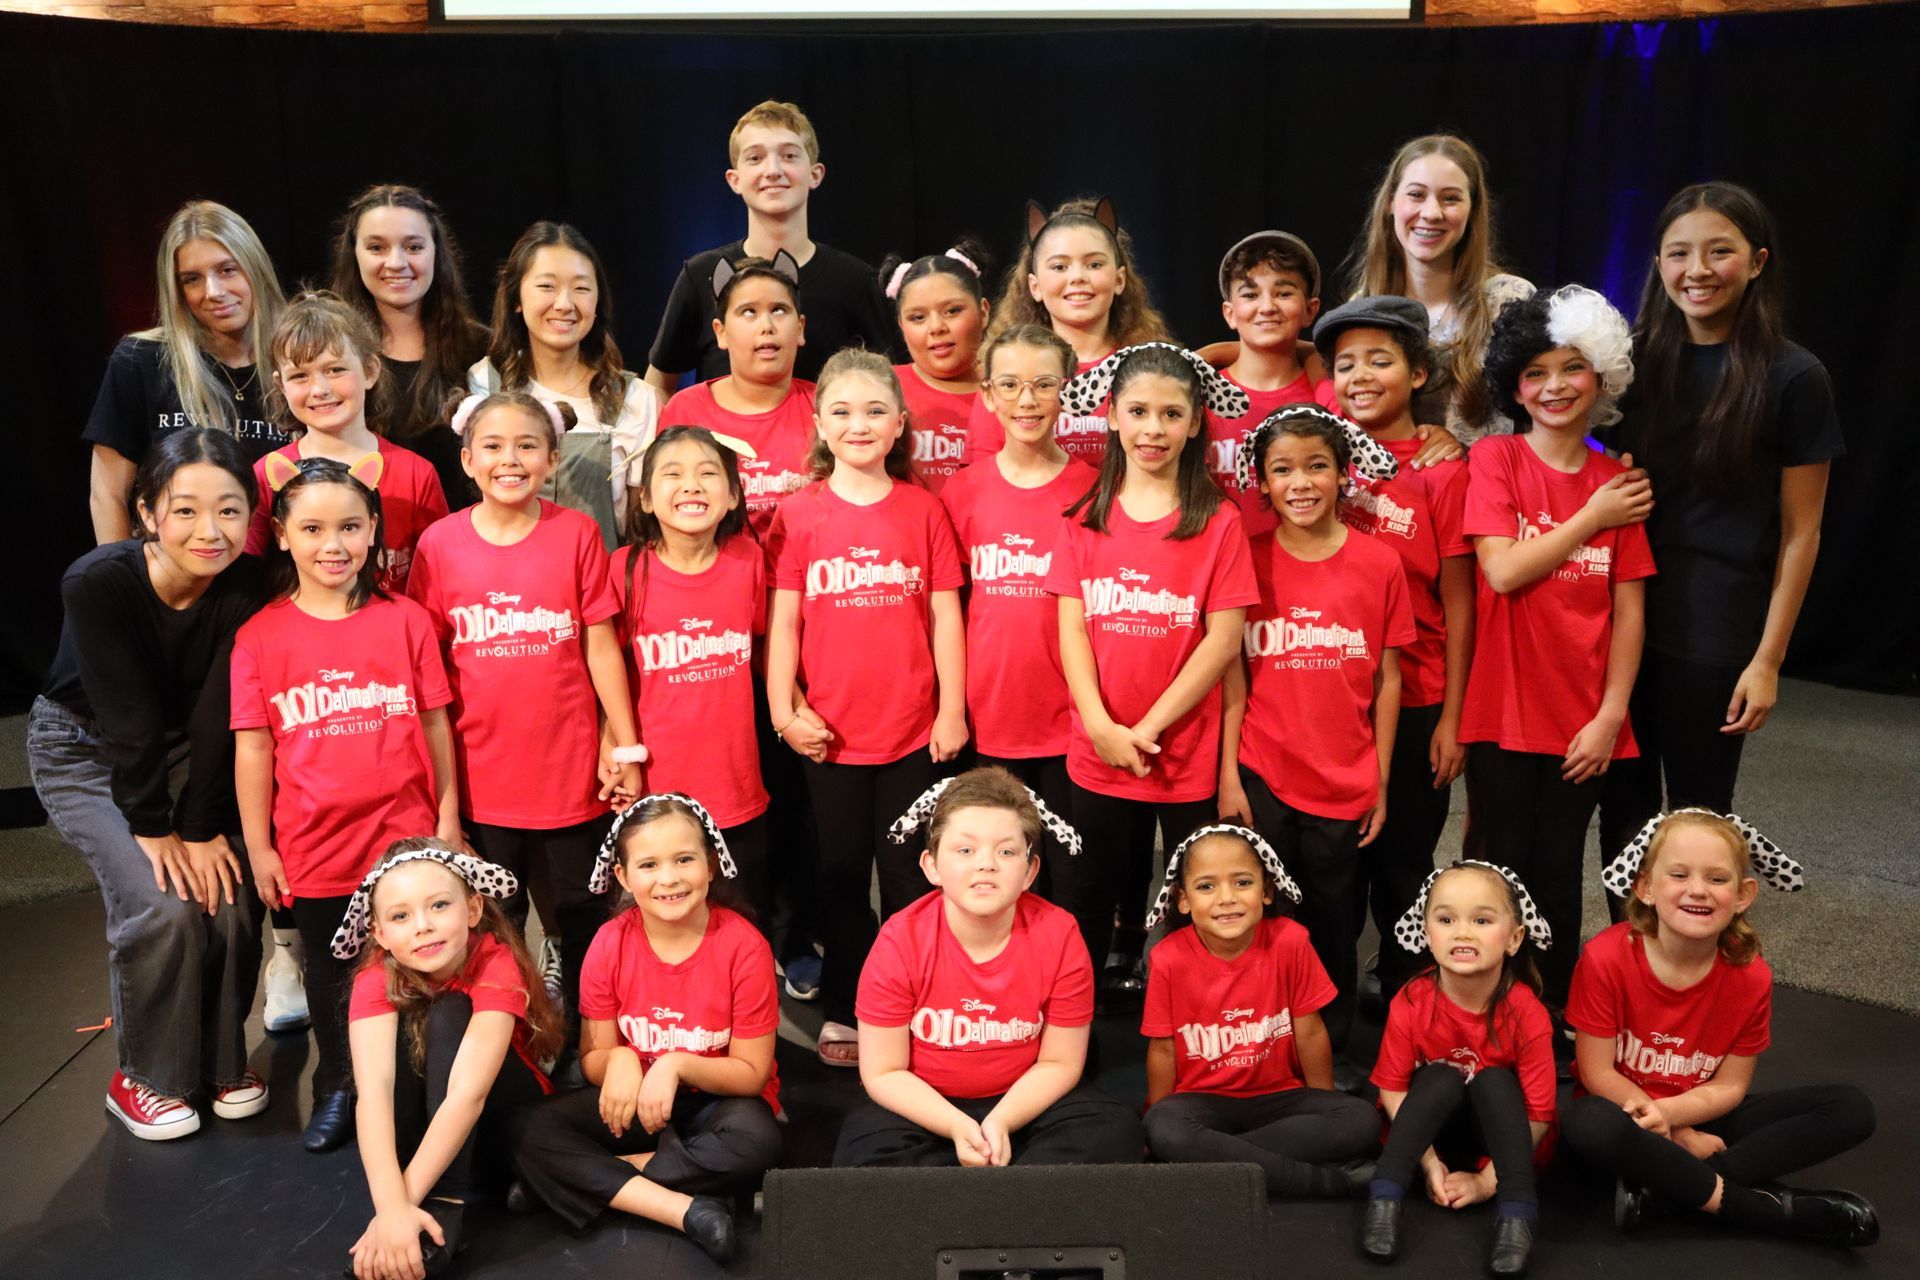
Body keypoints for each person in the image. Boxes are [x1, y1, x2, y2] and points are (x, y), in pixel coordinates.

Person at [1597, 183, 1844, 878]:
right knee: (1622, 807)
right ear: (1658, 263)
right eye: (1679, 253)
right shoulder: (1632, 360)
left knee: (1699, 817)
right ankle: (1629, 965)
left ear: (1757, 261)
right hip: (1622, 616)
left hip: (1716, 629)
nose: (1696, 270)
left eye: (1719, 252)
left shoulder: (1795, 377)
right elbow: (1566, 445)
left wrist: (1766, 662)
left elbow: (1802, 532)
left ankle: (1685, 967)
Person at [29, 428, 267, 1140]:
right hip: (84, 749)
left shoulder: (249, 586)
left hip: (186, 753)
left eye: (229, 510)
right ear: (145, 514)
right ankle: (144, 1078)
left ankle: (222, 1063)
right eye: (185, 509)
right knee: (162, 904)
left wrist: (198, 827)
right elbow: (126, 715)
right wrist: (159, 828)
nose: (209, 529)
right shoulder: (98, 581)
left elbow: (215, 715)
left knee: (226, 893)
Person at [231, 455, 460, 1153]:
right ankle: (339, 1083)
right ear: (282, 535)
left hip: (407, 840)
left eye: (351, 527)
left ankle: (426, 1086)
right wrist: (262, 847)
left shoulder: (408, 622)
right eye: (314, 528)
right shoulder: (260, 636)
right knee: (332, 975)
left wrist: (448, 818)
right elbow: (254, 750)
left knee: (423, 965)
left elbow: (434, 725)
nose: (334, 544)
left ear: (372, 533)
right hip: (316, 844)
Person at [407, 390, 643, 1038]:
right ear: (467, 459)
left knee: (579, 907)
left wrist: (623, 747)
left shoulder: (575, 533)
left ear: (552, 458)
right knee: (496, 912)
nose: (510, 459)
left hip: (570, 771)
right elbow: (429, 679)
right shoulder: (439, 545)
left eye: (526, 445)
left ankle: (589, 1030)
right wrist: (443, 796)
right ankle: (508, 1030)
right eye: (493, 446)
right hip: (485, 776)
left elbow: (600, 646)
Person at [765, 349, 966, 1065]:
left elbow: (946, 617)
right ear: (818, 422)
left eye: (876, 410)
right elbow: (784, 622)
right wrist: (784, 710)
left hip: (915, 733)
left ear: (900, 424)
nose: (860, 423)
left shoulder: (924, 509)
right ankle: (850, 1004)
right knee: (841, 878)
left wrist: (952, 711)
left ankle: (916, 1002)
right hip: (830, 739)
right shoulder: (797, 515)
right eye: (843, 411)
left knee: (915, 876)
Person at [1044, 344, 1259, 997]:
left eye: (1171, 414)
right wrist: (1104, 727)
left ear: (1195, 423)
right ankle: (1074, 1027)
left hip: (1184, 754)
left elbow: (1222, 641)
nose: (1153, 429)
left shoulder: (1218, 522)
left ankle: (1191, 1016)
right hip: (1098, 748)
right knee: (1088, 890)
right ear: (1112, 416)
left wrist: (1150, 728)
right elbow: (1071, 632)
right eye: (1138, 411)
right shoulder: (1085, 520)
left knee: (1194, 894)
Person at [1462, 286, 1655, 1008]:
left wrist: (1611, 716)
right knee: (1495, 865)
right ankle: (1477, 1004)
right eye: (1535, 373)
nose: (1554, 387)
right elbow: (1503, 569)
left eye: (1571, 369)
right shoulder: (1498, 461)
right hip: (1504, 711)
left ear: (1600, 377)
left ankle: (1550, 1015)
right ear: (1515, 386)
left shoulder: (1620, 482)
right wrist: (1590, 517)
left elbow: (1629, 613)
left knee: (1557, 868)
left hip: (1585, 719)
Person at [1563, 810, 1878, 1247]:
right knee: (1587, 1122)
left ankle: (1668, 1192)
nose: (1698, 890)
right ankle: (1757, 1209)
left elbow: (1729, 1087)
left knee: (1850, 1108)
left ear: (1744, 894)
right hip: (1626, 1115)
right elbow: (1597, 1075)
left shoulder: (1751, 977)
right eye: (1679, 874)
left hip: (1700, 1114)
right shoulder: (1605, 958)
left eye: (1716, 878)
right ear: (1646, 887)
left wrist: (1674, 1118)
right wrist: (1666, 1130)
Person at [511, 795, 781, 1265]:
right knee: (523, 1128)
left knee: (759, 1140)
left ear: (712, 865)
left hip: (717, 1101)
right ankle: (686, 1207)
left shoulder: (744, 946)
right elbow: (594, 1057)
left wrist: (675, 1065)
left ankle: (581, 1180)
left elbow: (753, 1073)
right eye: (649, 864)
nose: (669, 878)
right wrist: (617, 1059)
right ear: (623, 876)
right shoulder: (609, 943)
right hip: (635, 1104)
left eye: (684, 859)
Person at [1220, 406, 1411, 1060]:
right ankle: (1262, 1047)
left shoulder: (1380, 564)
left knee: (1333, 923)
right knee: (1265, 918)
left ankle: (1327, 1049)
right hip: (1262, 774)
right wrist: (1227, 777)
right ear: (1262, 483)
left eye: (1316, 466)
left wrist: (1380, 779)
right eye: (1282, 469)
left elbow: (1389, 678)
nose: (1300, 482)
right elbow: (1232, 679)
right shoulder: (1245, 560)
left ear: (1342, 474)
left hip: (1345, 780)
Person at [834, 769, 1142, 1167]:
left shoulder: (1060, 933)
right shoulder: (899, 939)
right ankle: (1003, 1201)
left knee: (1115, 1132)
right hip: (925, 1104)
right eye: (965, 850)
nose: (986, 865)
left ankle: (983, 1204)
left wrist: (1000, 1123)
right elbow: (882, 1072)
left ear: (1030, 871)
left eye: (1007, 852)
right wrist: (955, 1125)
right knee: (864, 1159)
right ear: (931, 866)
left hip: (1025, 1102)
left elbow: (1061, 1062)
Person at [1318, 296, 1476, 1002]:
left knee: (1404, 860)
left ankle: (1407, 989)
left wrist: (1454, 718)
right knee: (1334, 860)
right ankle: (1329, 995)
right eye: (1345, 363)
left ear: (1417, 374)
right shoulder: (1319, 454)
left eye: (1380, 361)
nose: (1359, 376)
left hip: (1416, 695)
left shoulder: (1444, 470)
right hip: (1330, 691)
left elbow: (1460, 600)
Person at [334, 841, 560, 1280]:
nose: (423, 926)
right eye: (400, 916)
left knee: (449, 1010)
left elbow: (467, 1095)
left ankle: (448, 1202)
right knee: (385, 1054)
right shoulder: (374, 977)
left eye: (439, 905)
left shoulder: (495, 960)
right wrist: (391, 1210)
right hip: (435, 1135)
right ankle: (420, 1202)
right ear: (379, 933)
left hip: (503, 1115)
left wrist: (399, 1212)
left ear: (473, 909)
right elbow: (375, 1093)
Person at [938, 324, 1098, 877]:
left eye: (1043, 384)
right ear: (986, 394)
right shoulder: (961, 492)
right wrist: (951, 707)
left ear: (1069, 390)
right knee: (997, 871)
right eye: (1009, 385)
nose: (1026, 400)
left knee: (1068, 874)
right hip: (989, 718)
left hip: (1070, 723)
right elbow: (947, 613)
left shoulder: (1095, 492)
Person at [1140, 825, 1377, 1196]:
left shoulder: (1291, 941)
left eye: (1242, 883)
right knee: (1164, 1125)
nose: (1226, 898)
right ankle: (1321, 1182)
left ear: (1266, 891)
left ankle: (1210, 1161)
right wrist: (1157, 1120)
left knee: (1360, 1119)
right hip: (1202, 1103)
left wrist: (1325, 1103)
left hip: (1278, 1098)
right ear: (1182, 900)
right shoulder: (1167, 959)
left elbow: (1310, 1031)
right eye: (1206, 886)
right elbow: (1164, 1047)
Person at [1361, 861, 1557, 1276]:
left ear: (1514, 938)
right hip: (1433, 1134)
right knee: (1441, 1075)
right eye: (1446, 919)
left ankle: (1517, 1211)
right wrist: (1428, 1163)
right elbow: (1393, 1090)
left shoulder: (1528, 1012)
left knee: (1494, 1080)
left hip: (1502, 1144)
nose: (1462, 932)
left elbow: (1539, 1113)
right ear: (1427, 933)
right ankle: (1385, 1194)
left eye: (1482, 920)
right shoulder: (1412, 1000)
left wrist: (1488, 1182)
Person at [610, 427, 771, 915]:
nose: (692, 485)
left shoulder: (748, 560)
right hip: (656, 783)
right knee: (661, 916)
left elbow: (765, 648)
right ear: (645, 498)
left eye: (708, 474)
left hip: (737, 785)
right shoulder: (624, 568)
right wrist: (615, 748)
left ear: (733, 494)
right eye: (672, 474)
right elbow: (608, 670)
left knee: (740, 917)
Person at [644, 99, 893, 395]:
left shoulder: (854, 280)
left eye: (789, 156)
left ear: (815, 174)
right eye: (755, 158)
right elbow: (657, 385)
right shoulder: (701, 274)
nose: (773, 170)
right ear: (734, 180)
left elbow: (895, 382)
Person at [85, 200, 289, 542]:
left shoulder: (300, 359)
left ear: (256, 268)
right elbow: (107, 494)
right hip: (172, 582)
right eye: (192, 279)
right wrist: (123, 583)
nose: (214, 292)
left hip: (280, 582)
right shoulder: (141, 360)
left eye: (228, 270)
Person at [468, 221, 661, 550]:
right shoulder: (485, 383)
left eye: (582, 288)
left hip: (600, 590)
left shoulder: (634, 398)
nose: (564, 303)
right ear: (516, 298)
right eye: (547, 286)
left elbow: (638, 530)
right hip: (504, 592)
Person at [248, 291, 448, 592]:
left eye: (335, 369)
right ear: (281, 385)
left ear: (369, 371)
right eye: (300, 376)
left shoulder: (417, 474)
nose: (319, 389)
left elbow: (438, 580)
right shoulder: (267, 475)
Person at [1350, 135, 1535, 446]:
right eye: (1417, 195)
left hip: (1488, 489)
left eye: (1450, 198)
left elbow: (1546, 413)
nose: (1432, 212)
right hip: (1389, 490)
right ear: (1391, 202)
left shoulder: (1509, 300)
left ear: (1472, 210)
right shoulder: (1364, 306)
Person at [330, 183, 490, 509]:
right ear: (354, 254)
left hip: (462, 547)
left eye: (413, 247)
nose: (396, 262)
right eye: (377, 247)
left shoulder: (483, 350)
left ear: (436, 252)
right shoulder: (331, 352)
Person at [990, 198, 1173, 466]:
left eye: (1094, 265)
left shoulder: (1152, 368)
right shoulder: (1006, 372)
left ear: (1119, 279)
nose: (1077, 277)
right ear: (1034, 285)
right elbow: (987, 476)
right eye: (1059, 267)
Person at [657, 253, 818, 542]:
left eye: (779, 310)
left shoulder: (826, 408)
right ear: (720, 333)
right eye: (748, 312)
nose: (766, 325)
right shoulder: (686, 411)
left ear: (801, 328)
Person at [1203, 231, 1338, 538]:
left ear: (1310, 309)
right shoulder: (1199, 396)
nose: (1267, 307)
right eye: (1250, 295)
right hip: (1221, 578)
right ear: (1230, 313)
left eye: (1283, 293)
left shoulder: (1327, 399)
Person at [882, 243, 996, 493]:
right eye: (918, 317)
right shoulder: (881, 390)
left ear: (983, 312)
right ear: (901, 324)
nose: (936, 327)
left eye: (952, 311)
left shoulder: (1014, 391)